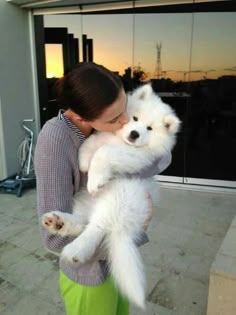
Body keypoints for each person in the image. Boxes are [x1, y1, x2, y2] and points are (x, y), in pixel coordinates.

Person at [34, 62, 172, 315]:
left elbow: (162, 157)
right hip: (89, 275)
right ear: (79, 117)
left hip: (114, 266)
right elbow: (53, 238)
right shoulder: (55, 142)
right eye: (113, 119)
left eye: (125, 109)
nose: (125, 121)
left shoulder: (118, 116)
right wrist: (132, 233)